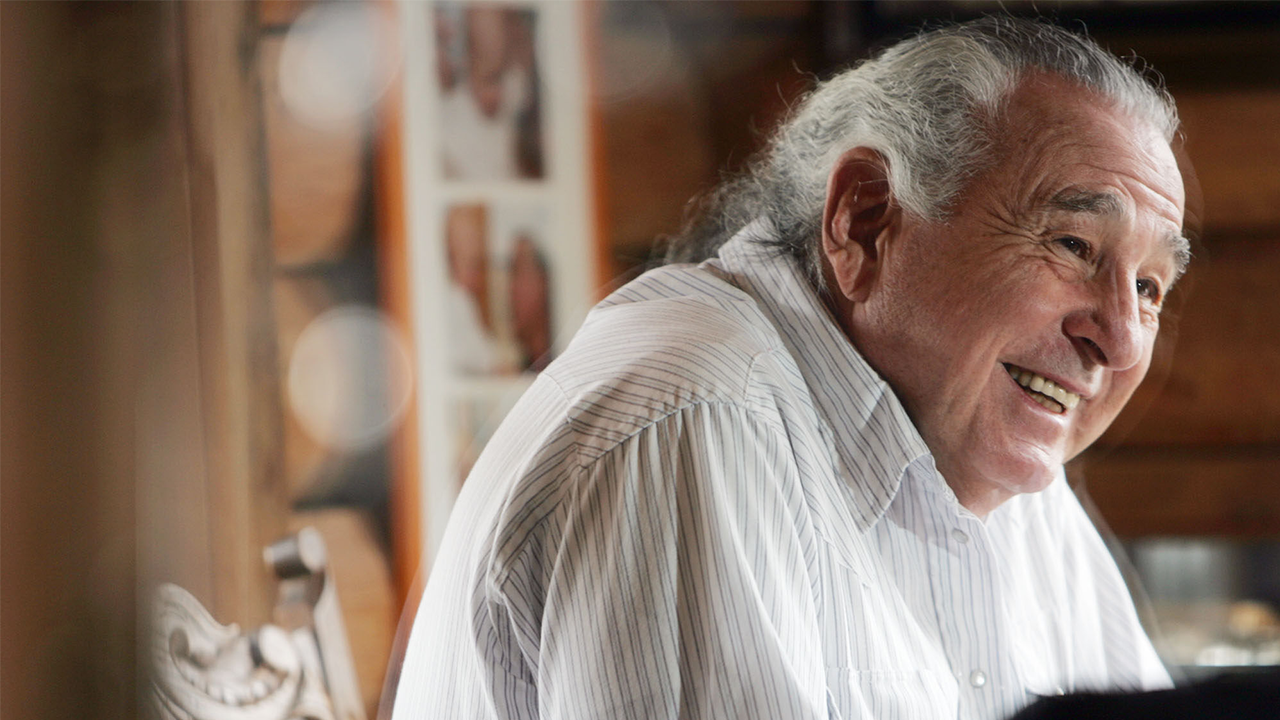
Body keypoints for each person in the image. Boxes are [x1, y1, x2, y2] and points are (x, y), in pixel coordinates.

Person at [393, 16, 1193, 719]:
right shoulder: (698, 418)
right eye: (1073, 245)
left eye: (1150, 288)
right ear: (866, 219)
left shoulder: (1004, 467)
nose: (1122, 340)